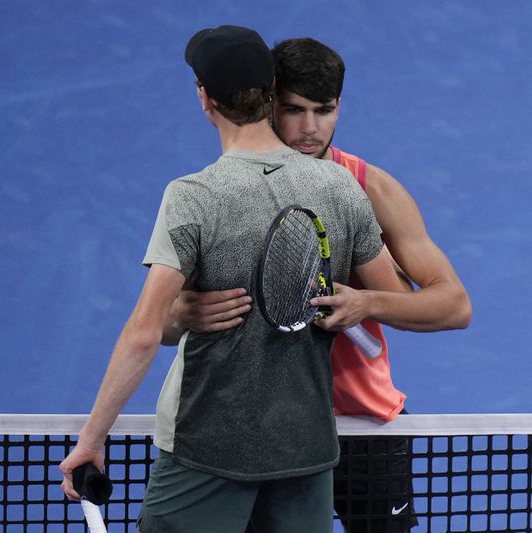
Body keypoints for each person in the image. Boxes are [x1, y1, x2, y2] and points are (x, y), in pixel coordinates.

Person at [59, 26, 411, 532]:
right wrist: (349, 300)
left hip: (208, 450)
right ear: (272, 91)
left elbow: (143, 333)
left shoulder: (194, 196)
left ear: (205, 98)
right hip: (306, 451)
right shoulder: (339, 185)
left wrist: (93, 439)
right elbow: (394, 299)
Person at [166, 37, 472, 532]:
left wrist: (367, 301)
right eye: (293, 110)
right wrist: (184, 316)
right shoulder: (222, 192)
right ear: (267, 103)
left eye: (324, 110)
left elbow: (454, 306)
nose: (310, 129)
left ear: (339, 107)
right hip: (263, 426)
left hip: (361, 425)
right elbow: (160, 323)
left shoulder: (371, 188)